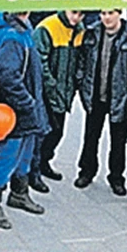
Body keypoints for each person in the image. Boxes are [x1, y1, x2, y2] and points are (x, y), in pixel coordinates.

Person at [0, 12, 49, 231]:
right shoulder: (11, 36)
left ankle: (19, 194)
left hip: (27, 110)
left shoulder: (23, 29)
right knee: (7, 156)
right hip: (15, 111)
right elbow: (8, 75)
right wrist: (27, 102)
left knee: (25, 155)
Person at [74, 9, 127, 196]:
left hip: (120, 97)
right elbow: (82, 61)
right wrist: (82, 84)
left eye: (110, 13)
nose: (106, 17)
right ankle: (86, 172)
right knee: (90, 137)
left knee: (118, 142)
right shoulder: (91, 33)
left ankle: (116, 177)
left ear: (119, 13)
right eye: (103, 13)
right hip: (95, 95)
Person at [31, 10, 85, 189]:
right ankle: (33, 171)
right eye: (74, 13)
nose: (76, 18)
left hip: (63, 91)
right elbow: (40, 62)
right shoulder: (47, 28)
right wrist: (51, 86)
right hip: (46, 92)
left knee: (57, 132)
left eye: (80, 15)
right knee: (43, 132)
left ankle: (44, 162)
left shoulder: (79, 30)